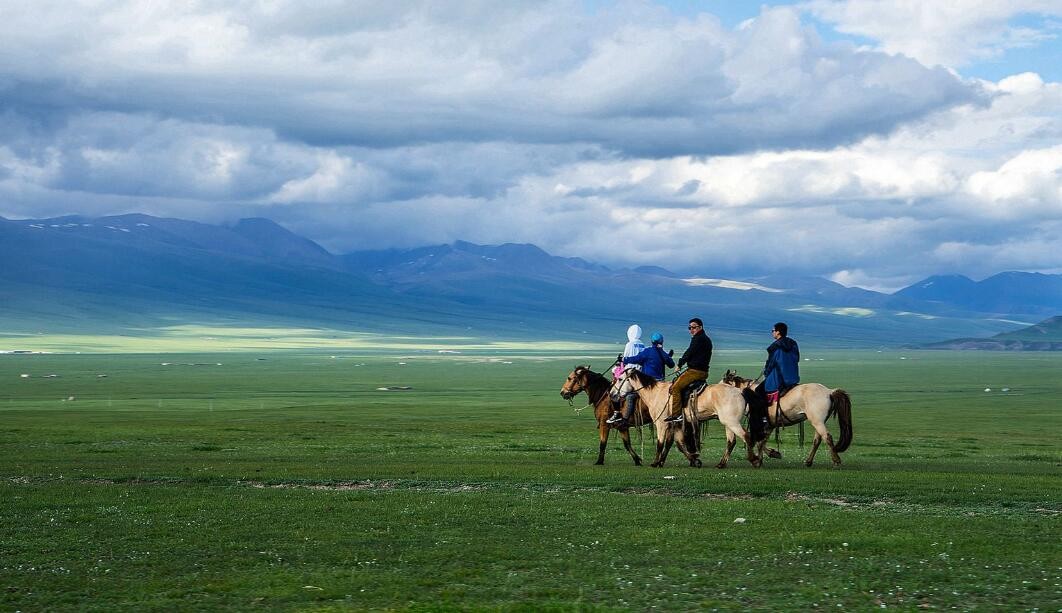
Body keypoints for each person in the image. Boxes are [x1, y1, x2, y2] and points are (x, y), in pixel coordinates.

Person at [607, 332, 674, 426]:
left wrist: (623, 359)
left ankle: (625, 419)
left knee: (630, 397)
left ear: (652, 342)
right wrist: (667, 357)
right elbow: (672, 365)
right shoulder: (662, 353)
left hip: (647, 384)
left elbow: (635, 359)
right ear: (662, 342)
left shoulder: (647, 351)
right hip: (660, 384)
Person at [750, 322, 800, 439]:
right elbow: (797, 359)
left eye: (773, 331)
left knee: (758, 391)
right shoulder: (793, 344)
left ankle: (763, 417)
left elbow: (772, 363)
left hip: (779, 377)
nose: (772, 333)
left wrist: (766, 373)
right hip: (792, 376)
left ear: (778, 332)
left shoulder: (776, 346)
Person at [664, 318, 712, 424]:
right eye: (689, 328)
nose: (691, 330)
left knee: (675, 388)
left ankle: (677, 415)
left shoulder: (698, 339)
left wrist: (680, 364)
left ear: (700, 327)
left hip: (695, 371)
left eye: (694, 327)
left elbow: (689, 352)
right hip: (701, 371)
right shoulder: (706, 339)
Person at [608, 324, 646, 423]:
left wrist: (618, 366)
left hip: (629, 373)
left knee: (614, 392)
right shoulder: (642, 344)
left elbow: (625, 359)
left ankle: (617, 414)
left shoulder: (629, 344)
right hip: (640, 373)